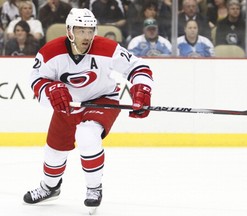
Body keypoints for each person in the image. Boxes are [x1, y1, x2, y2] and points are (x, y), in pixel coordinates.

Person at [23, 8, 153, 208]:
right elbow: (36, 79)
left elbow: (138, 67)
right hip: (68, 104)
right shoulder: (50, 52)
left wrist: (141, 89)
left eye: (90, 30)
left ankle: (94, 187)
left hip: (102, 99)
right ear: (69, 31)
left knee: (87, 135)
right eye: (81, 30)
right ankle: (50, 187)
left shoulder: (107, 48)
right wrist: (49, 89)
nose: (86, 36)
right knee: (54, 150)